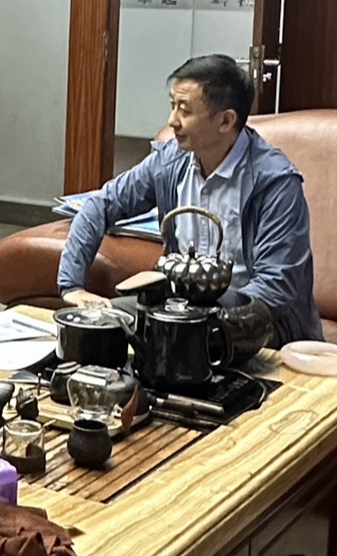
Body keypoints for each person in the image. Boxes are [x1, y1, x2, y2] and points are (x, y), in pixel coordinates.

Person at [59, 54, 322, 345]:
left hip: (255, 323)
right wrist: (72, 287)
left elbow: (275, 289)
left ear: (226, 120)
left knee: (182, 348)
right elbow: (100, 205)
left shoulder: (275, 182)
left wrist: (197, 324)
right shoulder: (170, 162)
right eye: (173, 105)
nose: (172, 121)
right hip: (180, 312)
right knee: (98, 326)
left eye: (184, 109)